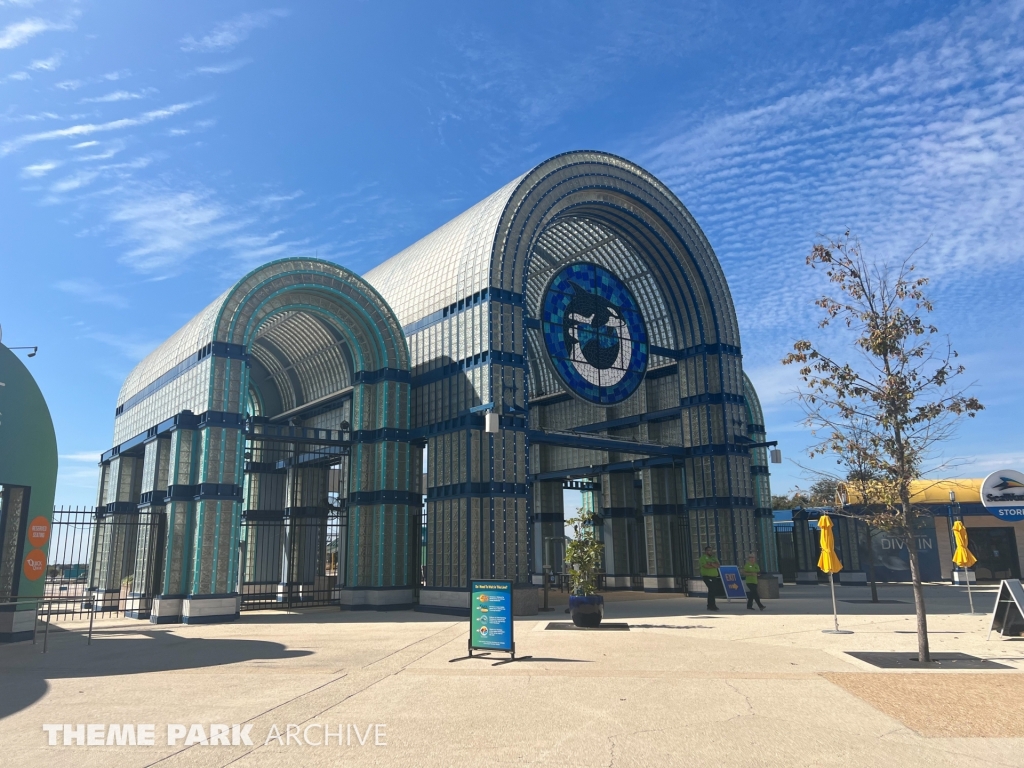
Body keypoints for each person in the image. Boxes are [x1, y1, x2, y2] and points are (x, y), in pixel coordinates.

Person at [698, 546, 722, 611]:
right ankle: (711, 605)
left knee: (713, 590)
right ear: (706, 551)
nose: (710, 552)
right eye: (709, 550)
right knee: (711, 589)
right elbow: (706, 566)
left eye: (711, 550)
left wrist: (711, 563)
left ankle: (711, 605)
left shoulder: (714, 558)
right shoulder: (702, 558)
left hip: (714, 576)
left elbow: (718, 565)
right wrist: (713, 565)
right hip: (707, 576)